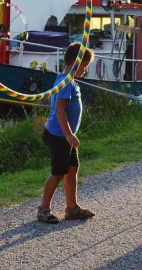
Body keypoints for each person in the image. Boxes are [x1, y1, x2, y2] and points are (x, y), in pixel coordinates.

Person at [38, 42, 97, 224]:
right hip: (58, 135)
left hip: (64, 135)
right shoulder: (65, 83)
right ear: (77, 64)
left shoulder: (68, 81)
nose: (86, 71)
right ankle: (43, 209)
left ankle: (72, 208)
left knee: (72, 169)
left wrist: (69, 135)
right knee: (58, 172)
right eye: (85, 67)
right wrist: (69, 135)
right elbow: (60, 110)